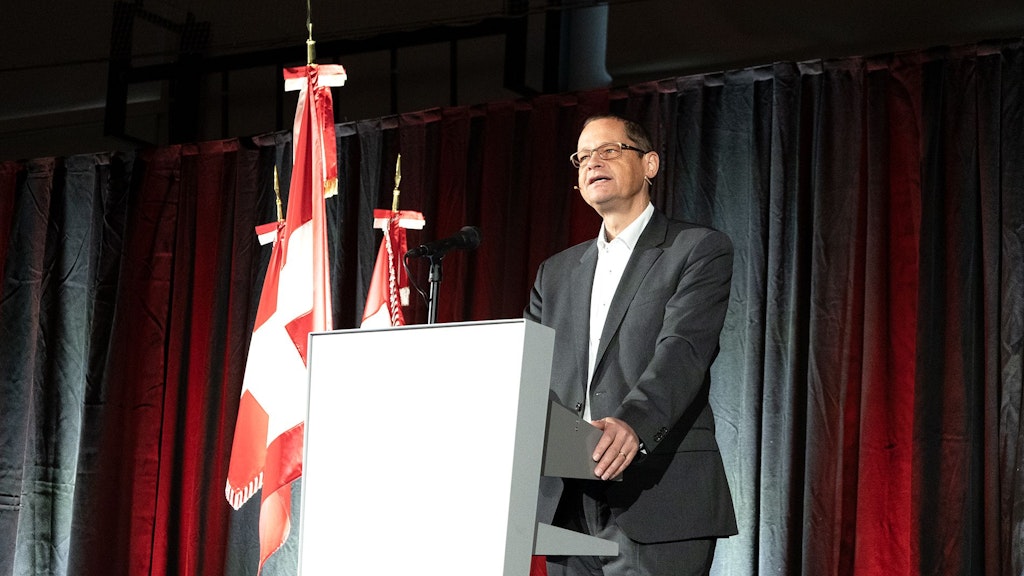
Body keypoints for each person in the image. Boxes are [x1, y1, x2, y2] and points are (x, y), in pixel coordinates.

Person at [525, 114, 737, 575]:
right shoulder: (555, 273)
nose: (592, 163)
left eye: (609, 151)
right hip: (566, 502)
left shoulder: (697, 248)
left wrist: (632, 425)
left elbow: (683, 351)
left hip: (658, 493)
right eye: (582, 156)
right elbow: (529, 371)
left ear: (650, 164)